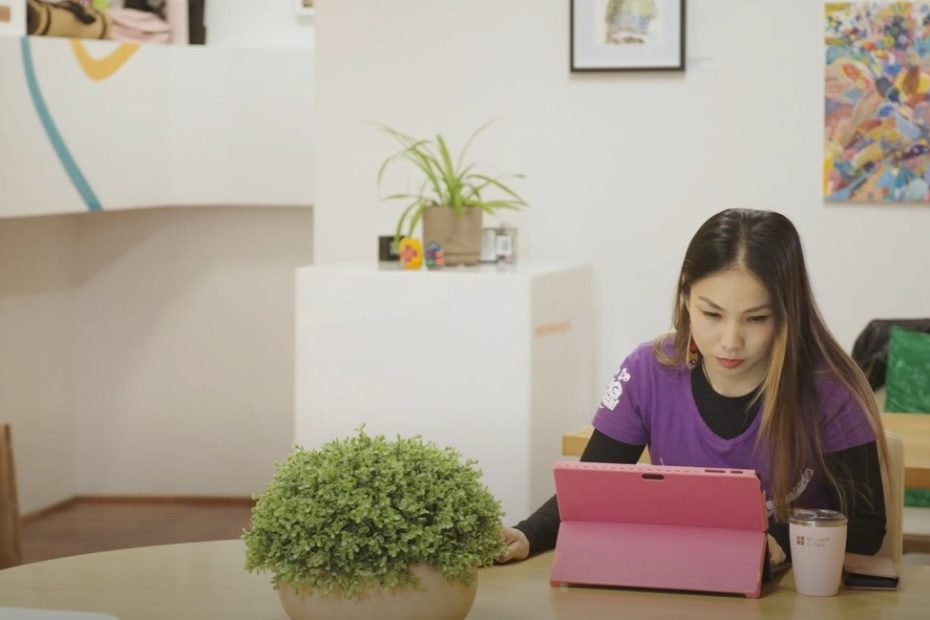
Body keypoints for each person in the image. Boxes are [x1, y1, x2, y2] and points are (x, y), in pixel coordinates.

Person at [498, 208, 887, 567]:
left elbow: (867, 529)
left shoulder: (829, 388)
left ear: (789, 311)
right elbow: (590, 491)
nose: (731, 340)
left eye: (756, 319)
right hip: (682, 581)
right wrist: (528, 533)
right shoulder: (648, 371)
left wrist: (778, 540)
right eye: (712, 314)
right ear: (685, 296)